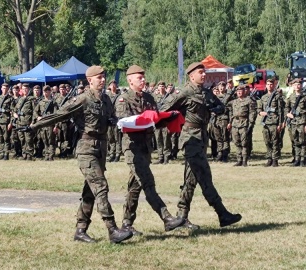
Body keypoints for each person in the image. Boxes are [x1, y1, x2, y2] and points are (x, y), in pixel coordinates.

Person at [18, 66, 133, 244]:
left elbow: (113, 118)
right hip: (86, 148)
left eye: (104, 77)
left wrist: (115, 121)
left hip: (101, 147)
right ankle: (112, 229)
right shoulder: (83, 99)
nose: (103, 80)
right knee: (100, 186)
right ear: (90, 80)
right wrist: (34, 126)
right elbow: (59, 115)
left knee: (90, 191)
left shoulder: (106, 100)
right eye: (99, 78)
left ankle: (80, 230)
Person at [160, 62, 242, 229]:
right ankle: (222, 213)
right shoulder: (186, 93)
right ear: (191, 76)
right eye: (200, 73)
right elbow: (165, 109)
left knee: (191, 180)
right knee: (204, 177)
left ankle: (181, 217)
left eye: (204, 72)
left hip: (202, 138)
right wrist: (176, 118)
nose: (204, 75)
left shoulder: (206, 92)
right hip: (191, 139)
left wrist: (216, 108)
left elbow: (220, 107)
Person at [116, 65, 184, 235]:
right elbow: (123, 122)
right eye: (139, 78)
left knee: (135, 186)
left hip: (146, 146)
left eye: (143, 77)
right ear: (130, 80)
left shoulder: (149, 98)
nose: (143, 80)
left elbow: (154, 121)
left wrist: (168, 118)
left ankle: (126, 224)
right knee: (147, 182)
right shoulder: (123, 99)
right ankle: (166, 218)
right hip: (132, 147)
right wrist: (144, 119)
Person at [227, 85, 257, 166]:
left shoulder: (249, 101)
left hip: (244, 123)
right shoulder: (234, 101)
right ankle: (239, 160)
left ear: (244, 91)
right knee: (237, 142)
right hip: (235, 124)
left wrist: (251, 123)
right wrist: (230, 122)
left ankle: (244, 160)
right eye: (238, 91)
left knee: (244, 143)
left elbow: (252, 113)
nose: (239, 92)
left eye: (241, 91)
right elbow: (230, 110)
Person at [258, 79, 284, 167]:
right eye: (268, 84)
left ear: (274, 85)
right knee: (267, 141)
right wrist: (261, 113)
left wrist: (280, 124)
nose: (269, 86)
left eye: (271, 84)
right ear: (266, 85)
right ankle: (269, 159)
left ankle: (275, 160)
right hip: (265, 123)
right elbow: (259, 109)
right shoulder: (263, 97)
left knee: (275, 141)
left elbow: (280, 111)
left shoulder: (277, 97)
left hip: (274, 122)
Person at [284, 78, 306, 166]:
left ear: (301, 86)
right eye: (295, 85)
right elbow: (286, 108)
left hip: (302, 122)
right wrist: (288, 114)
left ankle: (303, 160)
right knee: (295, 141)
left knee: (303, 141)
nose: (297, 86)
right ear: (292, 86)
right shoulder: (290, 97)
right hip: (293, 122)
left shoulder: (304, 97)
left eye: (299, 84)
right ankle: (297, 159)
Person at [0, 83, 14, 160]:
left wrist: (10, 123)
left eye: (6, 88)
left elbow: (12, 111)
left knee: (6, 138)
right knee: (0, 138)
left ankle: (6, 154)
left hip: (6, 121)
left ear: (8, 89)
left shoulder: (10, 99)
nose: (4, 89)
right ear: (1, 88)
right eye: (3, 88)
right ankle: (2, 153)